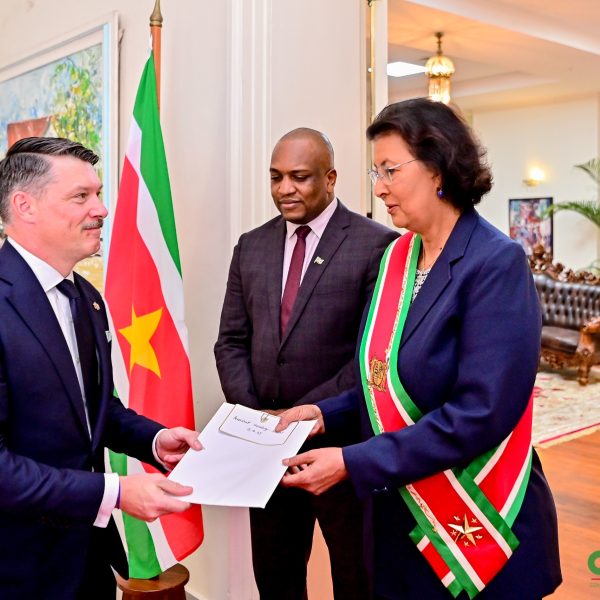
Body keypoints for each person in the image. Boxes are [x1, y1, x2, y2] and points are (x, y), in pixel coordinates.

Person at [276, 100, 562, 599]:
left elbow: (482, 411)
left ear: (438, 168)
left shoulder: (495, 263)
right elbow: (384, 380)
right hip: (399, 520)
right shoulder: (398, 258)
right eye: (376, 172)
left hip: (482, 521)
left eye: (390, 170)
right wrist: (323, 413)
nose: (379, 187)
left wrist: (352, 462)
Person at [0, 137, 202, 600]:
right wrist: (114, 493)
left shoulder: (86, 298)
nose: (102, 210)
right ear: (25, 206)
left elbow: (94, 409)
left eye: (98, 194)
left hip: (87, 558)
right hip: (17, 565)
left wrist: (154, 439)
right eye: (81, 197)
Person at [214, 127, 397, 600]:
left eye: (299, 177)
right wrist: (259, 418)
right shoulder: (251, 246)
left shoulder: (378, 245)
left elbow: (371, 357)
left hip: (342, 448)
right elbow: (231, 341)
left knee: (358, 579)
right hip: (265, 451)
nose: (284, 189)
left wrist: (304, 416)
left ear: (330, 179)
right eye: (276, 177)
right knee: (275, 577)